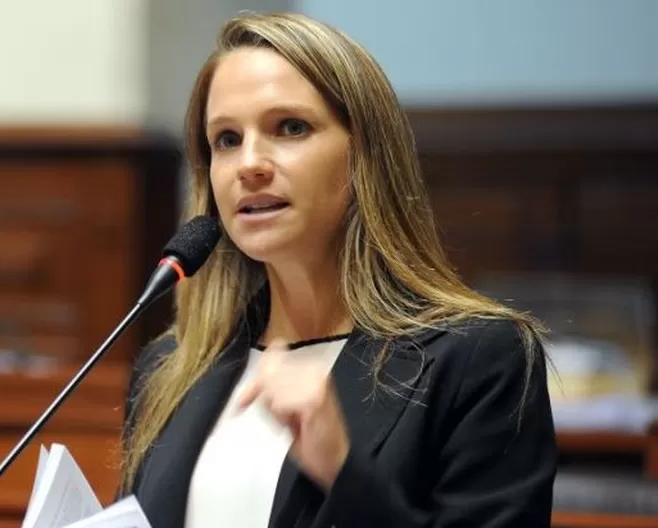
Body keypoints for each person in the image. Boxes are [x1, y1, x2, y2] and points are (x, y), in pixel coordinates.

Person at [119, 11, 557, 528]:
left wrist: (342, 472)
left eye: (290, 128)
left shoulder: (478, 360)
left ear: (363, 156)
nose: (249, 164)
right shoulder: (171, 369)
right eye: (227, 140)